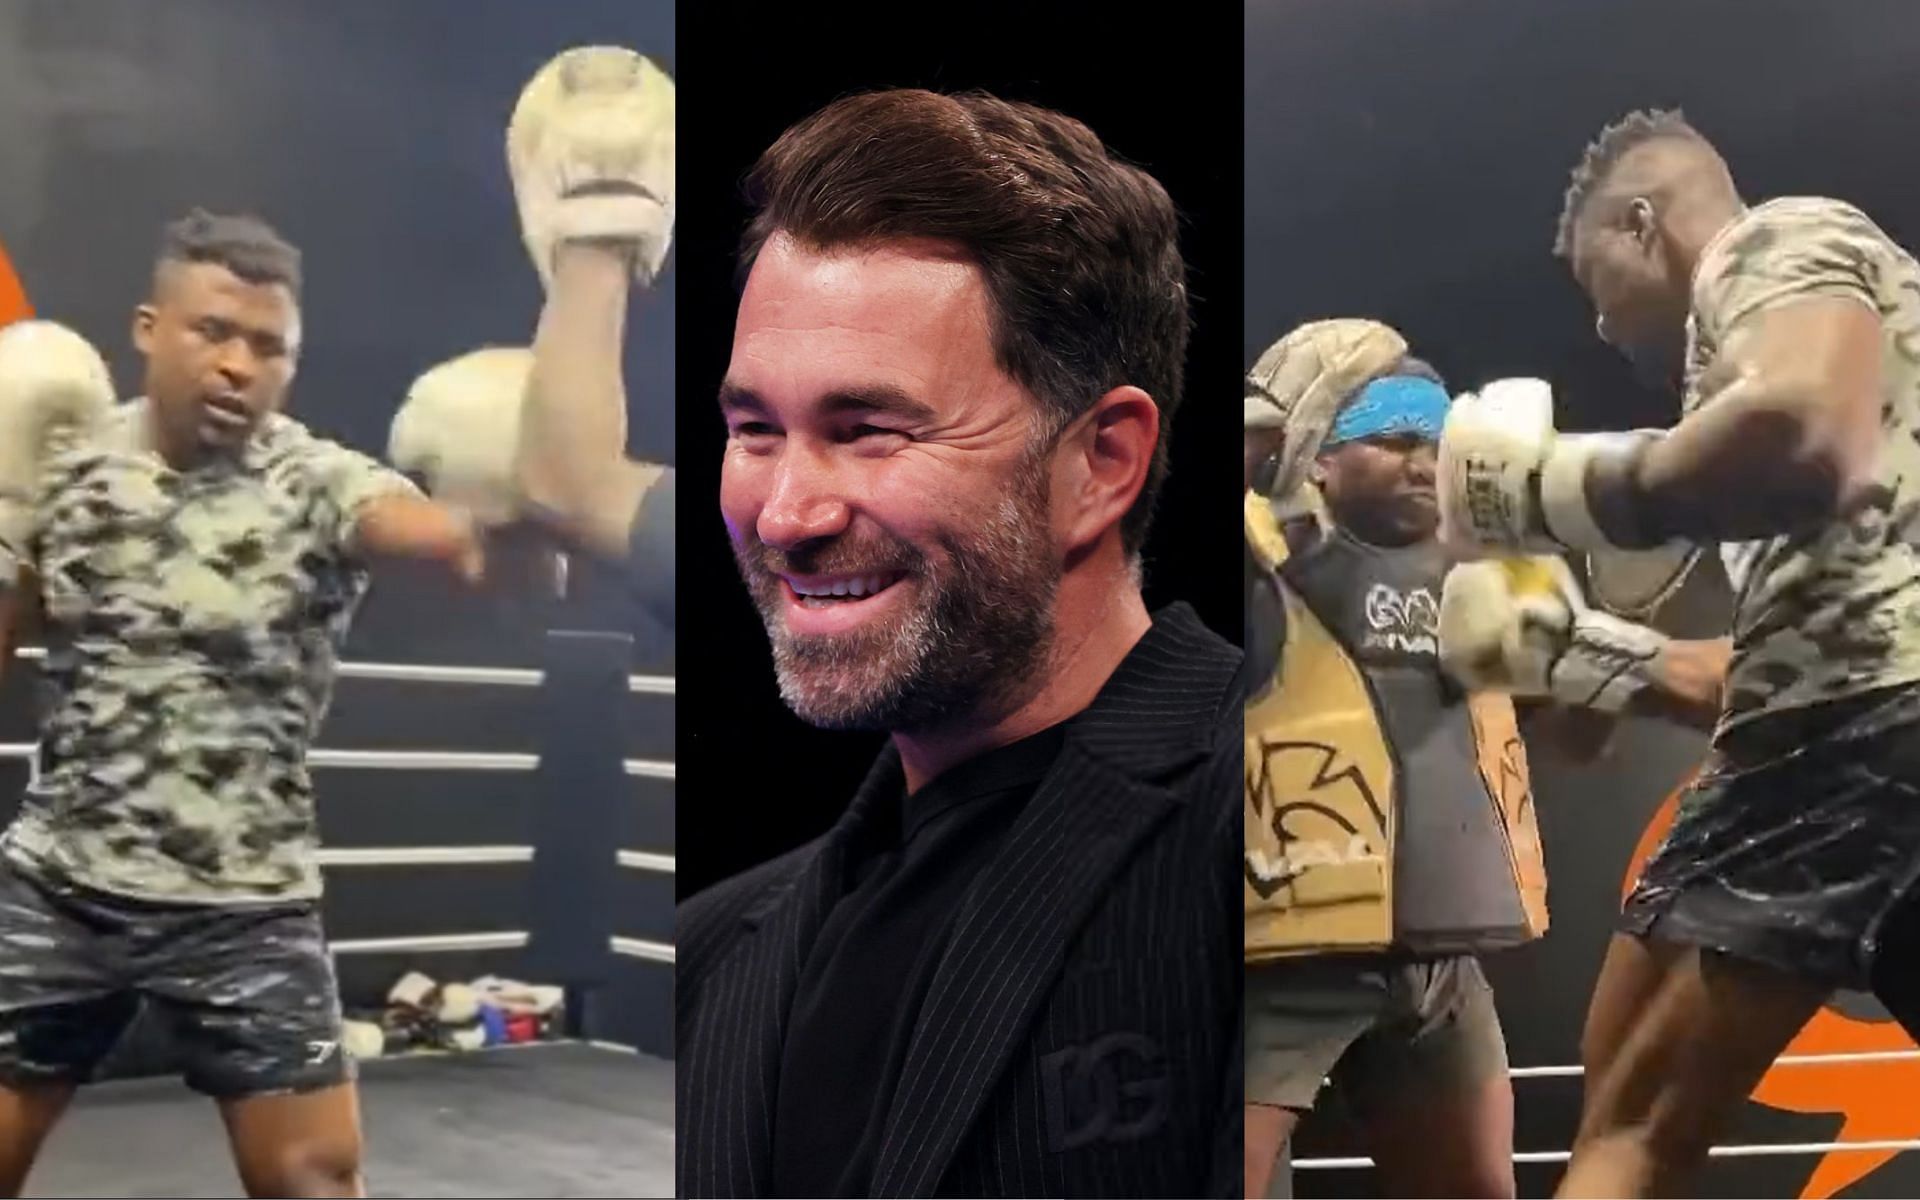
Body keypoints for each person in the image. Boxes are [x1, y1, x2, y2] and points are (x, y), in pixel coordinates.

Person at [674, 89, 1241, 1198]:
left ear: (1103, 464)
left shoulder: (1268, 825)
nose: (787, 512)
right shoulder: (710, 958)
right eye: (755, 431)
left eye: (867, 431)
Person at [1433, 107, 1920, 1197]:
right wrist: (1578, 654)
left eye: (1593, 281)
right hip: (1853, 725)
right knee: (1625, 1095)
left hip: (1860, 735)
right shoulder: (1766, 420)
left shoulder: (1779, 241)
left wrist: (1545, 488)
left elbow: (1804, 435)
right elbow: (1760, 671)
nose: (1602, 329)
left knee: (1630, 1134)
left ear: (1640, 223)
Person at [0, 209, 485, 1198]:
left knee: (314, 1179)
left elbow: (429, 537)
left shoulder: (315, 480)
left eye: (268, 348)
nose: (237, 365)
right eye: (211, 332)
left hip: (246, 905)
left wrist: (500, 515)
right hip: (61, 888)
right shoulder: (63, 464)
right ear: (147, 327)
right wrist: (5, 511)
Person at [1240, 319, 1723, 1200]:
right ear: (1317, 456)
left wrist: (1594, 635)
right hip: (1278, 959)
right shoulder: (1262, 560)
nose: (1424, 463)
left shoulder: (1491, 570)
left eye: (1436, 443)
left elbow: (1578, 739)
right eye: (1390, 442)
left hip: (1443, 968)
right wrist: (1259, 441)